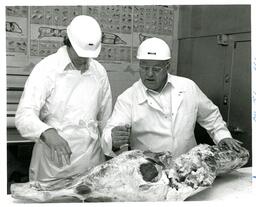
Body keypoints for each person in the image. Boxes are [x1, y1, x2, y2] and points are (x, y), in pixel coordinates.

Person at [102, 37, 242, 157]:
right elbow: (111, 131)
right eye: (144, 68)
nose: (149, 74)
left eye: (156, 69)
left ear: (167, 66)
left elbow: (211, 116)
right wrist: (112, 139)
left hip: (189, 166)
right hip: (150, 170)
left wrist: (223, 136)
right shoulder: (128, 98)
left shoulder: (188, 87)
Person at [15, 15, 112, 182]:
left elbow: (106, 120)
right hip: (53, 168)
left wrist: (112, 144)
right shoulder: (47, 69)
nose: (84, 59)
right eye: (80, 53)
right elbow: (24, 116)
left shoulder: (99, 72)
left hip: (91, 164)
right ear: (68, 41)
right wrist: (47, 132)